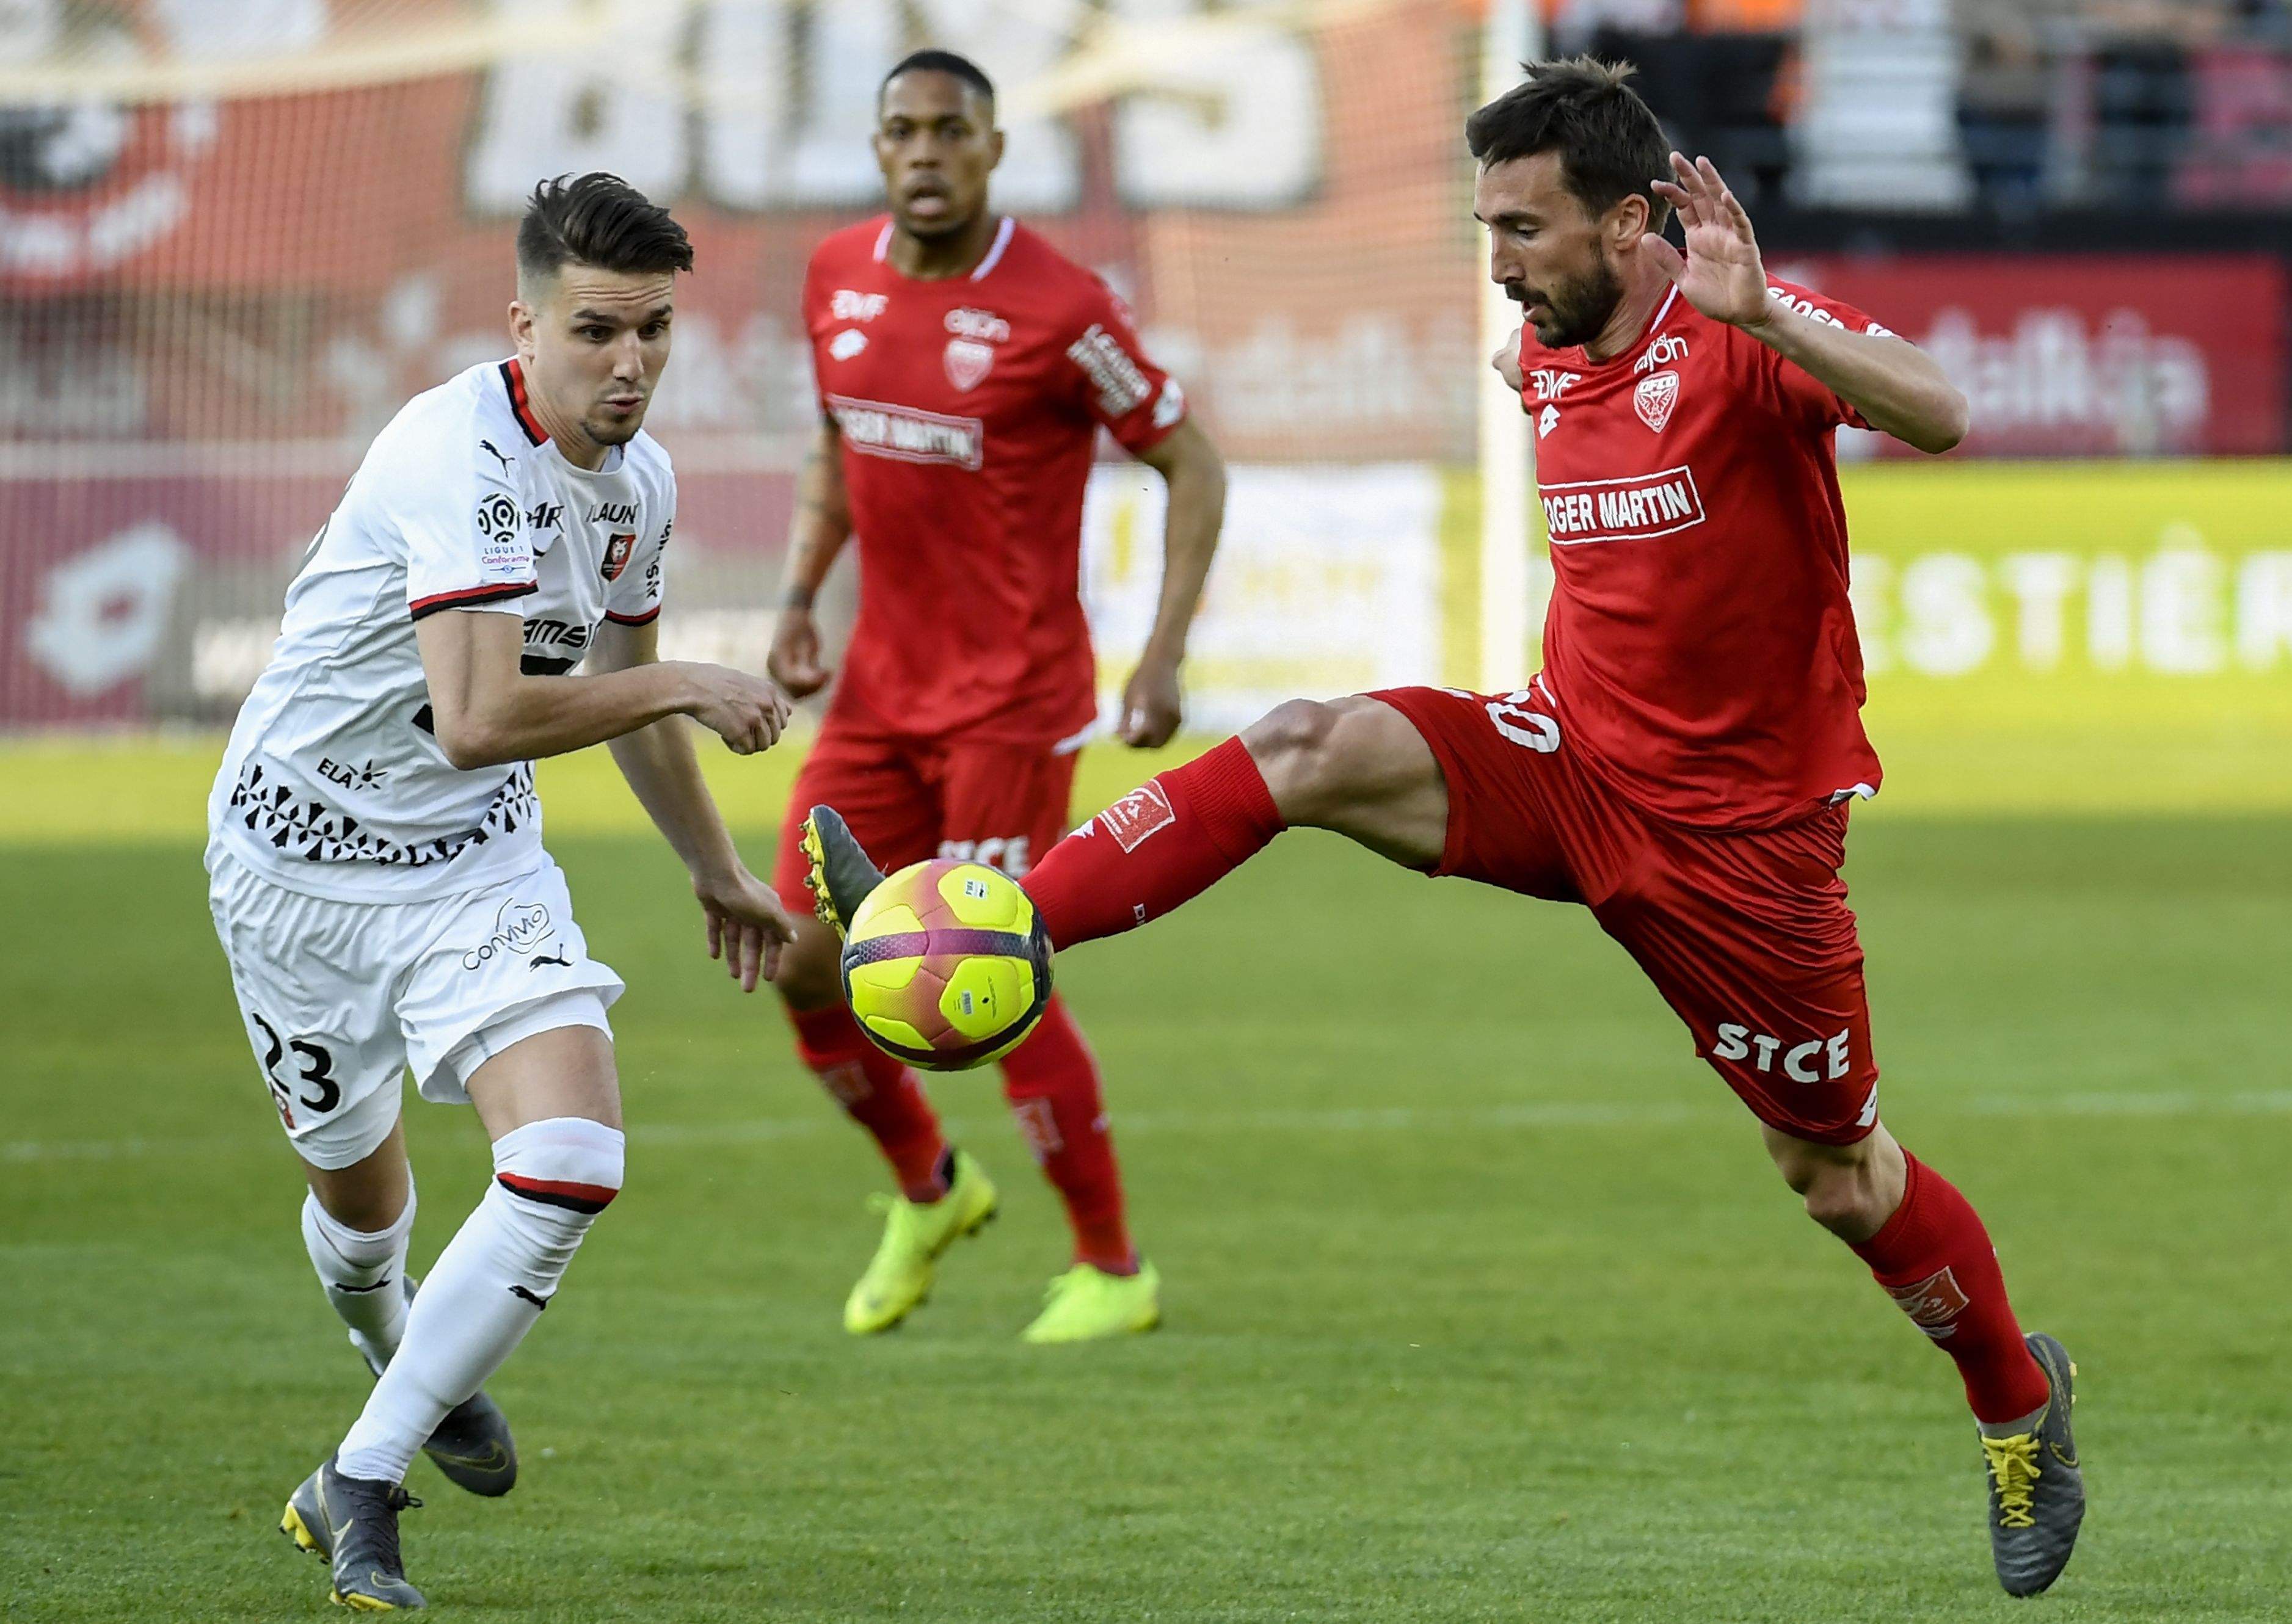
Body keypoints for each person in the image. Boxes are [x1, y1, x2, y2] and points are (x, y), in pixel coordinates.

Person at [804, 59, 2085, 1596]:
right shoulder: (1541, 346)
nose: (1497, 260)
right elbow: (1553, 389)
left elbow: (1940, 411)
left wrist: (1765, 314)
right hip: (1562, 761)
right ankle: (996, 923)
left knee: (1834, 1174)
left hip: (1738, 849)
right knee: (1303, 745)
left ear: (1627, 226)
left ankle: (2016, 1401)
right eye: (1484, 224)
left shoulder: (1740, 339)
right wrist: (1540, 325)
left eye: (1522, 229)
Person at [206, 173, 796, 1609]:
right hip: (297, 869)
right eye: (599, 331)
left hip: (471, 862)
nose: (632, 364)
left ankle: (359, 1475)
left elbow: (607, 707)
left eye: (655, 331)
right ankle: (392, 1336)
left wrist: (717, 869)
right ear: (524, 321)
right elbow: (483, 711)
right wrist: (684, 672)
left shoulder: (637, 486)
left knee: (574, 1160)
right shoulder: (452, 453)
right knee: (360, 1212)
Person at [767, 49, 1226, 1343]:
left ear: (991, 149)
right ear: (875, 150)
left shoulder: (1059, 306)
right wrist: (802, 596)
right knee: (805, 960)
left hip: (1011, 706)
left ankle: (1111, 1265)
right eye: (901, 132)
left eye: (949, 132)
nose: (924, 154)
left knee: (991, 973)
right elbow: (834, 442)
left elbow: (1191, 463)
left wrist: (1161, 651)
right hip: (874, 698)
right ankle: (928, 1186)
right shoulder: (834, 277)